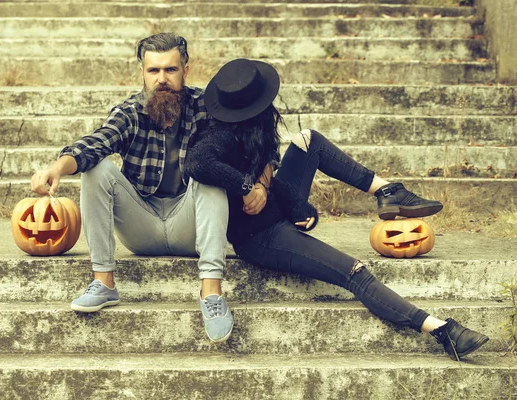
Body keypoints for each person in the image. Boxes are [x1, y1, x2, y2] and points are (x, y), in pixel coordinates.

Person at [184, 58, 489, 360]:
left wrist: (300, 208)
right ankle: (440, 330)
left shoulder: (258, 128)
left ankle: (386, 191)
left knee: (309, 140)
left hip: (276, 214)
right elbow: (197, 162)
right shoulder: (221, 135)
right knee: (353, 271)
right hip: (260, 237)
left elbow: (274, 183)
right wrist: (246, 186)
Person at [30, 33, 235, 343]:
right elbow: (96, 143)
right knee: (96, 168)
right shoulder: (130, 112)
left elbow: (245, 143)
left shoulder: (206, 107)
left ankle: (211, 294)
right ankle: (104, 282)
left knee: (209, 176)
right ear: (142, 72)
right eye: (154, 71)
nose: (162, 79)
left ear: (186, 71)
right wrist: (58, 166)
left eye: (170, 70)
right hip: (143, 225)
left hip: (190, 225)